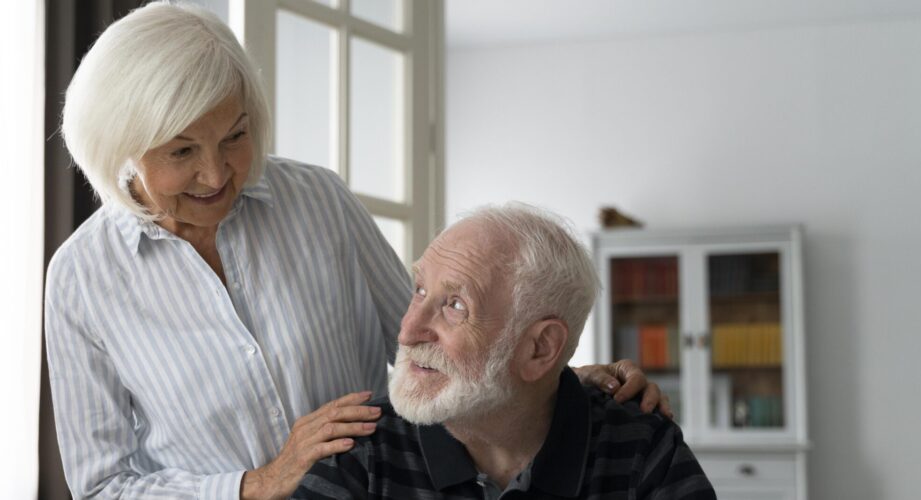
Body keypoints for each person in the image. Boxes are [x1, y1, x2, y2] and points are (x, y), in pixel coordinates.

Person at [45, 4, 670, 499]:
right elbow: (103, 485)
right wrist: (255, 485)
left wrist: (552, 385)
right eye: (182, 152)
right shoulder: (81, 279)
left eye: (234, 136)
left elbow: (437, 345)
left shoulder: (316, 200)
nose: (217, 174)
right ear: (119, 146)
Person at [295, 204, 715, 499]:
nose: (407, 332)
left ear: (540, 348)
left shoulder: (644, 448)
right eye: (419, 289)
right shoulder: (360, 449)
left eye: (455, 305)